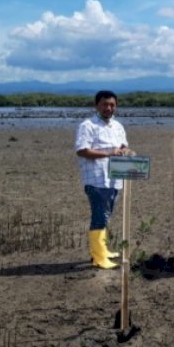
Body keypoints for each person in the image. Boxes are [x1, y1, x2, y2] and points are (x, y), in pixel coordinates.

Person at [75, 90, 133, 269]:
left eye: (112, 105)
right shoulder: (88, 125)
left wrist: (127, 152)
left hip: (115, 179)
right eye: (105, 104)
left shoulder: (117, 126)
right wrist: (109, 152)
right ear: (96, 105)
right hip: (96, 179)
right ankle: (98, 257)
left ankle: (103, 250)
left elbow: (123, 147)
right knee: (99, 216)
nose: (109, 108)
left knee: (107, 215)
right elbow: (82, 150)